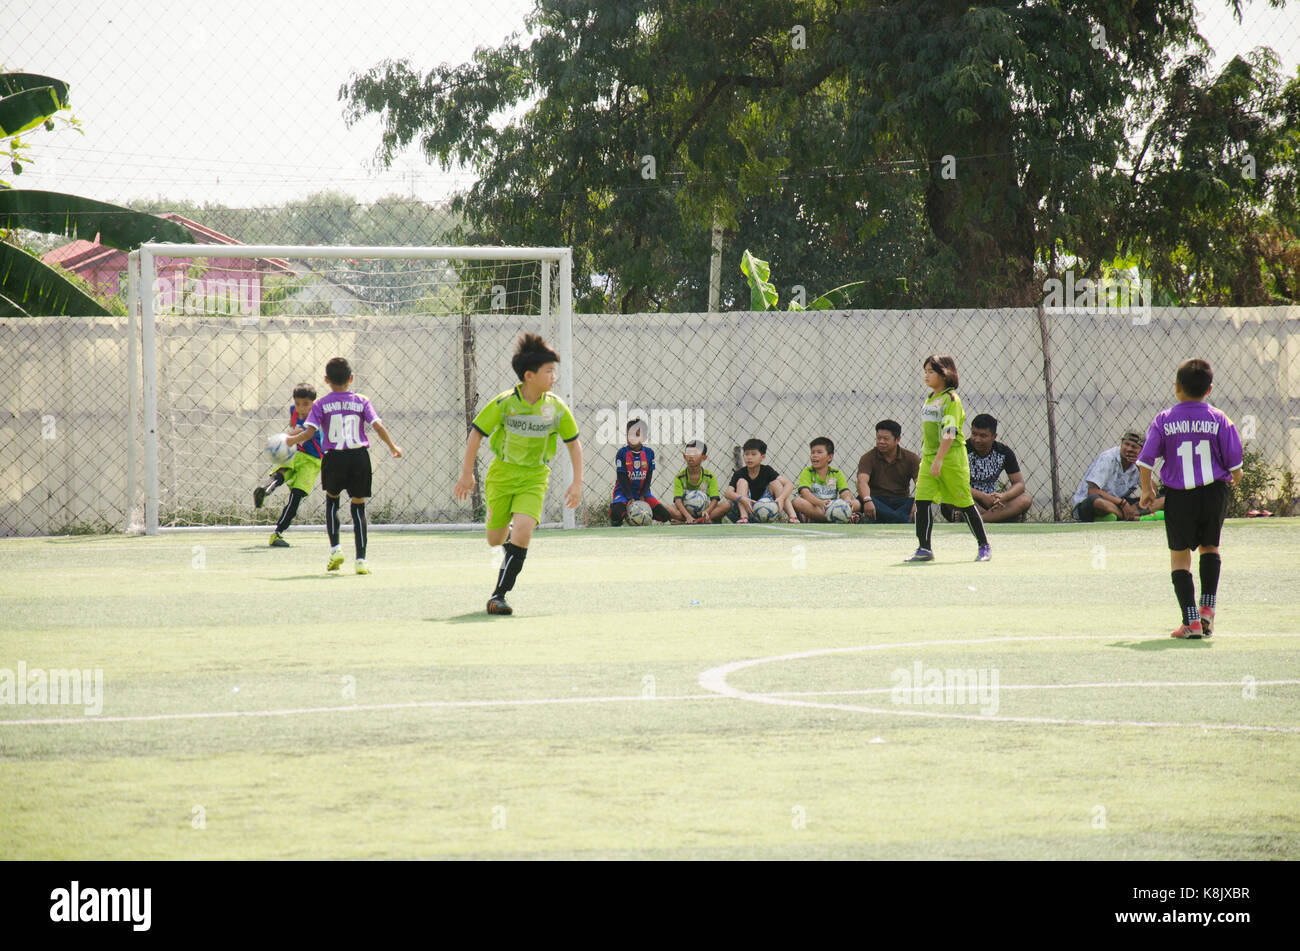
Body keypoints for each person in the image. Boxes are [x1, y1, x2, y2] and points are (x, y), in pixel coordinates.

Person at [454, 334, 583, 615]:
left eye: (554, 370)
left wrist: (577, 482)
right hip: (501, 476)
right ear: (529, 375)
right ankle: (508, 535)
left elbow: (573, 444)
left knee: (523, 532)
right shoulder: (504, 404)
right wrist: (467, 474)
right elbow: (476, 433)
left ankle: (498, 595)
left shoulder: (556, 408)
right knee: (494, 539)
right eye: (548, 371)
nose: (554, 376)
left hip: (534, 478)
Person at [1137, 358, 1243, 638]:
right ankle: (1207, 609)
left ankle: (1191, 621)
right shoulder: (1221, 419)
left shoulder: (1164, 419)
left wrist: (1147, 490)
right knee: (1210, 548)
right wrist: (1233, 484)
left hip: (1180, 498)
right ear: (1209, 390)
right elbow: (1236, 469)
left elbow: (1145, 461)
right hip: (1213, 494)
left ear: (1177, 387)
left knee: (1180, 558)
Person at [285, 357, 402, 574]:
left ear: (326, 379)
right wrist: (392, 446)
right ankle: (361, 561)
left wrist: (292, 440)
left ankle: (336, 548)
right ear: (351, 378)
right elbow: (377, 426)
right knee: (358, 507)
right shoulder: (362, 400)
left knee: (332, 502)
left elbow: (310, 432)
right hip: (359, 457)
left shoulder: (320, 404)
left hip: (334, 457)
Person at [905, 354, 991, 562]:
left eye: (931, 372)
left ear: (945, 373)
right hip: (929, 458)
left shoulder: (951, 399)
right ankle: (924, 548)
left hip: (950, 459)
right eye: (925, 372)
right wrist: (929, 457)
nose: (926, 376)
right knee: (922, 500)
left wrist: (939, 459)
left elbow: (949, 432)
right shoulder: (930, 398)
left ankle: (984, 546)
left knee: (964, 503)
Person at [255, 383, 323, 547]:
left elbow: (304, 432)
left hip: (312, 459)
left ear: (313, 402)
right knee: (290, 486)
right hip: (299, 454)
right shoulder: (294, 411)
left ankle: (266, 492)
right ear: (294, 402)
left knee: (294, 493)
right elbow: (296, 429)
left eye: (305, 404)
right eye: (298, 404)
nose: (301, 408)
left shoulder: (317, 414)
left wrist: (279, 440)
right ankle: (265, 492)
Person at [941, 413, 1033, 524]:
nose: (977, 440)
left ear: (994, 437)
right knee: (951, 496)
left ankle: (978, 520)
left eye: (983, 436)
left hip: (993, 502)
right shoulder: (961, 450)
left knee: (1025, 499)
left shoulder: (1003, 452)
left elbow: (1019, 484)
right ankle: (995, 517)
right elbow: (952, 482)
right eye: (974, 434)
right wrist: (982, 496)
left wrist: (1003, 496)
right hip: (968, 498)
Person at [1070, 428, 1165, 522]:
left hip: (1118, 504)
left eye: (1134, 447)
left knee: (1163, 499)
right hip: (1091, 504)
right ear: (1121, 443)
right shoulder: (1108, 458)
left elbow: (1154, 492)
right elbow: (1092, 491)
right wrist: (1122, 503)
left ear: (1141, 450)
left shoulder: (1139, 464)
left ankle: (1117, 516)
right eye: (1126, 444)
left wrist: (1141, 468)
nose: (1129, 449)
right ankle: (1136, 518)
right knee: (1098, 502)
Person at [610, 419, 674, 525]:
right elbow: (622, 478)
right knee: (617, 514)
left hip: (642, 493)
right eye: (629, 434)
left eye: (636, 434)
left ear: (644, 437)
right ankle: (615, 511)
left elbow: (648, 476)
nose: (631, 437)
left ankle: (643, 516)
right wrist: (630, 497)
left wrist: (643, 495)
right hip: (623, 492)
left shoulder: (649, 453)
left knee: (665, 516)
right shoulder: (622, 453)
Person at [856, 420, 920, 523]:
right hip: (877, 501)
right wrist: (867, 500)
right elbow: (862, 481)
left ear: (897, 439)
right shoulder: (868, 457)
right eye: (878, 438)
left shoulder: (911, 458)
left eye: (886, 439)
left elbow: (921, 484)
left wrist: (917, 504)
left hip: (901, 502)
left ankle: (887, 519)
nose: (880, 442)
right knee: (861, 499)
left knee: (920, 503)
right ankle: (901, 520)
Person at [724, 438, 797, 523]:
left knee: (776, 483)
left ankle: (793, 517)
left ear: (762, 457)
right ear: (743, 455)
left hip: (766, 508)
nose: (749, 458)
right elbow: (728, 493)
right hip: (745, 508)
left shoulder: (767, 470)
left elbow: (789, 485)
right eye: (746, 454)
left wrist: (781, 498)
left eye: (753, 454)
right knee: (741, 482)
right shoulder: (739, 473)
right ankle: (744, 518)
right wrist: (742, 498)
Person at [793, 437, 860, 522]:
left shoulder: (836, 473)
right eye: (812, 452)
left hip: (833, 507)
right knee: (797, 502)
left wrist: (847, 500)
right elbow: (805, 493)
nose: (814, 455)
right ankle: (843, 518)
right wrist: (819, 502)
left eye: (819, 452)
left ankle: (831, 517)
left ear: (830, 457)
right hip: (816, 507)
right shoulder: (807, 472)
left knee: (857, 503)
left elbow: (845, 492)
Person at [669, 440, 729, 523]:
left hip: (705, 511)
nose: (691, 456)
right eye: (688, 453)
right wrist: (688, 516)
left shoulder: (710, 476)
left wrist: (707, 511)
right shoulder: (679, 477)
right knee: (669, 509)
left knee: (726, 505)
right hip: (686, 512)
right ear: (684, 456)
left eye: (695, 453)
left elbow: (715, 499)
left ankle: (696, 520)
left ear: (704, 457)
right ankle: (695, 520)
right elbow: (678, 501)